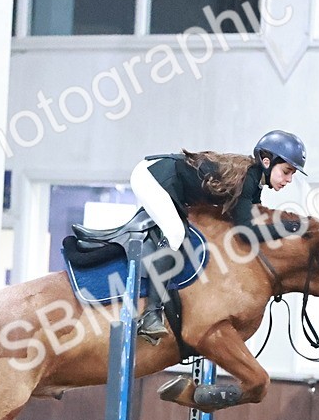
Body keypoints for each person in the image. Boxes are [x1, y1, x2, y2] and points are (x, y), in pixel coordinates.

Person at [129, 130, 307, 343]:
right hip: (152, 176)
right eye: (286, 171)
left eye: (292, 175)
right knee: (176, 234)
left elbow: (249, 224)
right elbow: (246, 233)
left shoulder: (254, 183)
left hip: (167, 180)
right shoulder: (248, 180)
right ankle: (150, 315)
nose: (288, 179)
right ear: (267, 161)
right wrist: (288, 228)